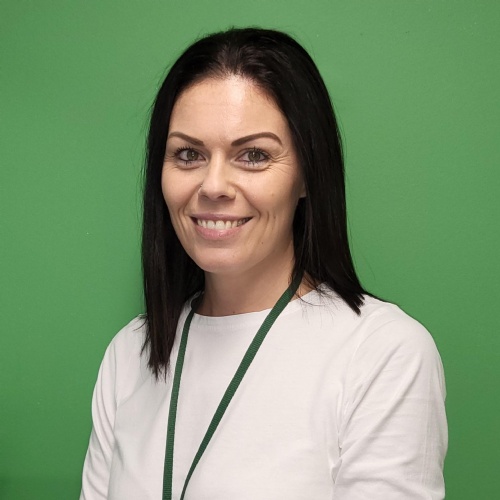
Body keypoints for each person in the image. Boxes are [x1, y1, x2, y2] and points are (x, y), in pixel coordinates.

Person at [80, 28, 447, 500]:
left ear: (307, 174)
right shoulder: (130, 352)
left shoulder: (383, 354)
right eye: (188, 154)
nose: (214, 186)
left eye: (253, 155)